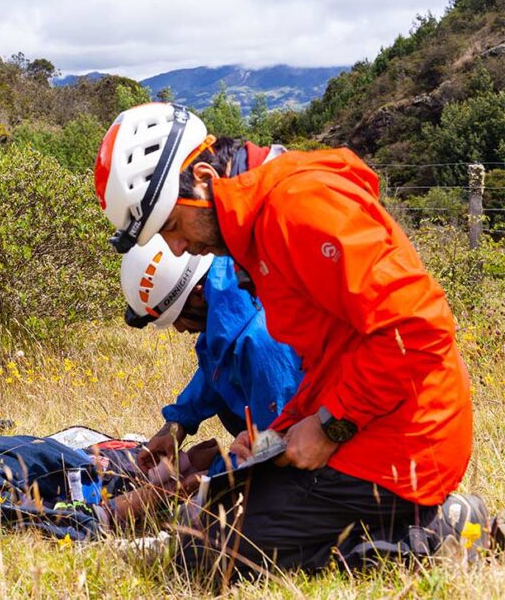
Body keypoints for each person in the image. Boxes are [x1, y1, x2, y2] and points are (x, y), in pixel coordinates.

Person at [95, 102, 473, 572]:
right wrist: (279, 431)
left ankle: (438, 533)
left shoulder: (300, 206)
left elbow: (417, 329)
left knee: (207, 556)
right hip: (375, 426)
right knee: (209, 522)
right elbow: (331, 353)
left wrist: (331, 426)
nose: (176, 247)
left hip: (404, 442)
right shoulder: (261, 227)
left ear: (206, 178)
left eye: (171, 225)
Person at [120, 235, 302, 479]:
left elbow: (277, 446)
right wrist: (175, 426)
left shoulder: (262, 343)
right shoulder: (230, 309)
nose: (180, 329)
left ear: (197, 294)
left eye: (177, 318)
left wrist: (205, 475)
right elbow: (216, 373)